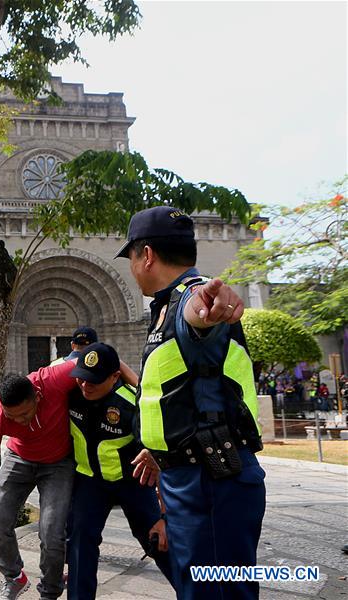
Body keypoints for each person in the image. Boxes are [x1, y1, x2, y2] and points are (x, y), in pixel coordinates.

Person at [116, 205, 265, 600]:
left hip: (211, 481)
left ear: (147, 255)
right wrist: (159, 448)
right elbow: (184, 388)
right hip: (190, 476)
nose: (132, 269)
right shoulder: (167, 306)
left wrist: (211, 305)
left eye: (131, 258)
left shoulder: (190, 300)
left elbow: (203, 312)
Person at [65, 342, 174, 599]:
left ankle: (194, 591)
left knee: (157, 540)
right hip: (90, 483)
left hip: (133, 483)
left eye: (94, 380)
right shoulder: (70, 395)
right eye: (82, 378)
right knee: (80, 542)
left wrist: (166, 515)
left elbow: (162, 460)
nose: (85, 385)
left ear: (115, 377)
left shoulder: (131, 406)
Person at [0, 361, 77, 600]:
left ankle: (50, 590)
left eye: (24, 414)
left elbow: (104, 359)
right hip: (19, 457)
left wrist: (139, 391)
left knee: (52, 533)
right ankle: (14, 577)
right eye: (11, 416)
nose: (19, 421)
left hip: (58, 462)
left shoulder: (52, 380)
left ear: (37, 397)